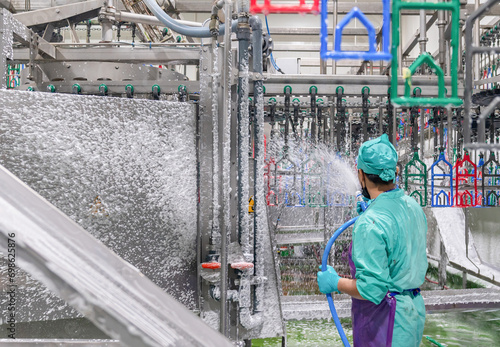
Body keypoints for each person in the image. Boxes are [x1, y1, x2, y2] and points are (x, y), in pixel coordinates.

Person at [317, 134, 428, 347]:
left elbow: (372, 289)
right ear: (395, 172)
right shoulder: (413, 206)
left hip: (386, 321)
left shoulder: (370, 223)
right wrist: (375, 208)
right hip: (411, 313)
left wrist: (335, 283)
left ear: (361, 174)